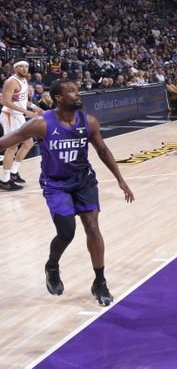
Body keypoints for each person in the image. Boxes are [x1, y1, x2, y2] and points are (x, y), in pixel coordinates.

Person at [0, 79, 134, 305]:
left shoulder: (88, 122)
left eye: (77, 90)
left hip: (83, 181)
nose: (77, 94)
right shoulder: (41, 124)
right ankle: (52, 265)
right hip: (56, 184)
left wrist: (120, 180)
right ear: (58, 98)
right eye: (71, 91)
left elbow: (102, 149)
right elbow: (7, 140)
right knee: (67, 233)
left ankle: (99, 282)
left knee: (93, 227)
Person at [0, 61, 43, 191]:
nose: (24, 69)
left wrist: (36, 108)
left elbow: (23, 100)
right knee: (12, 147)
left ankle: (13, 173)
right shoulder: (11, 82)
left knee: (28, 143)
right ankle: (4, 180)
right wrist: (26, 112)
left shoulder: (24, 81)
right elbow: (6, 102)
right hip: (10, 115)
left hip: (18, 115)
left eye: (26, 66)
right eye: (21, 66)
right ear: (15, 68)